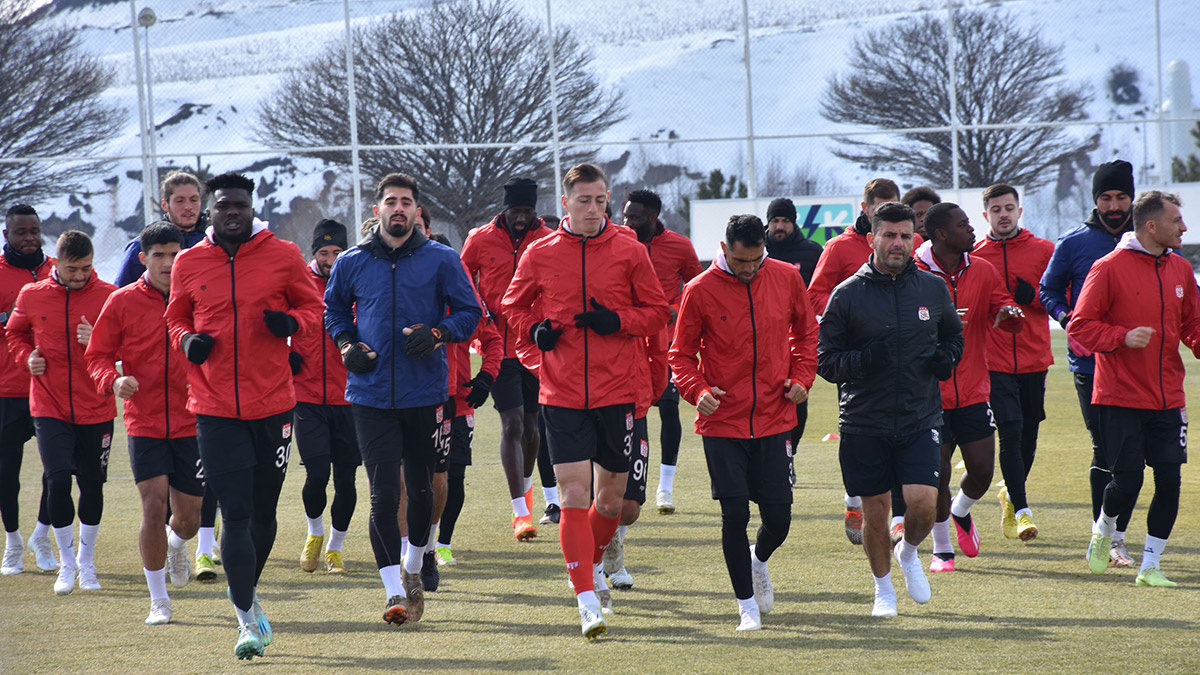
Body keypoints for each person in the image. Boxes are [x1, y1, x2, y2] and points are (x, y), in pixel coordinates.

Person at [501, 162, 669, 639]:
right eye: (583, 201)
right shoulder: (540, 252)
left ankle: (592, 562)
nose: (593, 209)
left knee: (611, 501)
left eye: (600, 200)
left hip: (619, 392)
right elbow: (513, 306)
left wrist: (619, 321)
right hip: (562, 392)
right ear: (565, 204)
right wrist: (535, 334)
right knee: (574, 493)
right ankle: (586, 600)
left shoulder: (629, 249)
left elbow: (657, 312)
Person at [165, 172, 325, 660]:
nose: (231, 212)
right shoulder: (189, 261)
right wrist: (186, 341)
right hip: (214, 408)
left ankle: (247, 592)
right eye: (223, 205)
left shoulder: (284, 255)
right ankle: (245, 623)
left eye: (239, 205)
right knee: (233, 513)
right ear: (210, 211)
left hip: (273, 404)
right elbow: (176, 317)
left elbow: (314, 308)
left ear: (252, 208)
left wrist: (291, 322)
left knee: (263, 513)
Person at [324, 173, 481, 627]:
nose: (398, 208)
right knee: (383, 494)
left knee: (421, 489)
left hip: (424, 394)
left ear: (416, 211)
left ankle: (414, 565)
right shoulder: (352, 261)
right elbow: (334, 311)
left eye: (406, 202)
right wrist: (347, 346)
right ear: (377, 210)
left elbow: (470, 312)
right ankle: (393, 589)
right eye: (391, 201)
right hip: (369, 395)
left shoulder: (442, 259)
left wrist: (438, 333)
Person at [669, 214, 816, 630]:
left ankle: (758, 561)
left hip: (774, 417)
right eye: (740, 261)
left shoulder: (786, 277)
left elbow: (806, 335)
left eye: (756, 259)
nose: (749, 268)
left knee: (779, 520)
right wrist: (697, 390)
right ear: (724, 249)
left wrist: (802, 378)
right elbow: (680, 355)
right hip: (722, 424)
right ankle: (746, 607)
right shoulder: (698, 289)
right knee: (734, 515)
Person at [817, 201, 962, 617]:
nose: (898, 243)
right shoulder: (847, 295)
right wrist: (865, 359)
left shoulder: (932, 289)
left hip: (919, 417)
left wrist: (947, 357)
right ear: (871, 238)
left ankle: (909, 552)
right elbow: (826, 362)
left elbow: (953, 336)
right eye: (889, 235)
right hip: (864, 421)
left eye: (905, 236)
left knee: (923, 503)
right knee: (876, 513)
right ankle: (883, 590)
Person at [1069, 190, 1198, 587]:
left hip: (1168, 397)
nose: (1184, 227)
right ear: (1151, 226)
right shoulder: (1108, 268)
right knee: (1128, 481)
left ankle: (1150, 567)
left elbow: (1193, 325)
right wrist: (1122, 337)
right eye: (1177, 220)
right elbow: (1079, 327)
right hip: (1119, 396)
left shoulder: (1180, 269)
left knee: (1170, 480)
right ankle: (1103, 528)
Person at [85, 222, 201, 625]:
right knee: (153, 505)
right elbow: (97, 355)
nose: (168, 263)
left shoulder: (199, 297)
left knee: (189, 520)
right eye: (159, 256)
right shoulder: (122, 301)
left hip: (193, 419)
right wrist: (113, 380)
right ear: (143, 258)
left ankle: (176, 545)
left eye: (175, 255)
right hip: (144, 421)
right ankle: (158, 600)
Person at [1040, 160, 1140, 567]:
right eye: (1106, 198)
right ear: (1095, 200)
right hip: (1089, 365)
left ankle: (1116, 533)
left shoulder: (1149, 239)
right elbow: (1048, 290)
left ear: (1132, 198)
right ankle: (1107, 538)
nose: (1113, 206)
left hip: (1139, 366)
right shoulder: (1073, 243)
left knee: (1135, 454)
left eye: (1121, 197)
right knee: (1106, 450)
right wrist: (1067, 319)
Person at [7, 230, 117, 596]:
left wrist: (98, 339)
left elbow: (127, 345)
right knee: (56, 481)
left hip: (96, 406)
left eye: (86, 267)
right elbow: (15, 333)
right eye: (73, 269)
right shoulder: (32, 294)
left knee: (92, 485)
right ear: (57, 263)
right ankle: (67, 563)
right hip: (49, 405)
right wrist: (27, 357)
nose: (81, 275)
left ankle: (87, 562)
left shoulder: (109, 295)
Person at [915, 203, 1024, 572]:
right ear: (941, 234)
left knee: (982, 471)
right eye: (963, 225)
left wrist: (1010, 315)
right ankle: (942, 548)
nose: (972, 230)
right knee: (938, 474)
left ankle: (961, 511)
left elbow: (1004, 307)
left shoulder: (983, 269)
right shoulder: (915, 273)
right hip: (929, 395)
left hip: (974, 389)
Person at [807, 178, 905, 546]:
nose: (886, 214)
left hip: (900, 360)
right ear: (864, 208)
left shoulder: (905, 244)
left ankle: (897, 517)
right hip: (855, 360)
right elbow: (815, 295)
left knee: (902, 433)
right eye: (879, 208)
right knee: (859, 435)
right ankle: (853, 501)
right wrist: (851, 316)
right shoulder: (838, 247)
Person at [461, 178, 557, 538]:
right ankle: (520, 513)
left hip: (535, 345)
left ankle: (527, 490)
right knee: (512, 424)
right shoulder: (479, 238)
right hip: (498, 348)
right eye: (516, 211)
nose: (521, 218)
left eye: (527, 211)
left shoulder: (547, 239)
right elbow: (462, 276)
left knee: (533, 428)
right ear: (505, 209)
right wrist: (479, 310)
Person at [971, 184, 1054, 542]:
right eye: (996, 209)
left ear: (1019, 211)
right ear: (985, 215)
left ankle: (1010, 491)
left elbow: (1063, 296)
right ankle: (1022, 511)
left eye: (1008, 208)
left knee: (1028, 435)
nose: (1003, 214)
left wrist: (1032, 296)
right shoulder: (975, 256)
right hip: (995, 360)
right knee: (1010, 430)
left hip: (1035, 357)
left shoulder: (1044, 251)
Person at [621, 189, 703, 514]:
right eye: (626, 216)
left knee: (669, 408)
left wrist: (674, 309)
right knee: (629, 412)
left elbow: (697, 286)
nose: (628, 222)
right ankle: (624, 484)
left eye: (635, 217)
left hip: (667, 341)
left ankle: (664, 488)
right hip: (627, 342)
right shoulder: (618, 243)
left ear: (653, 218)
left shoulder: (680, 246)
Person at [289, 219, 360, 575]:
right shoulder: (297, 281)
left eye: (337, 252)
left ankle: (335, 547)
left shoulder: (358, 280)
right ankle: (314, 533)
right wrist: (284, 353)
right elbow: (272, 321)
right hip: (306, 397)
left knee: (346, 479)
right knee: (316, 474)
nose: (330, 260)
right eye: (323, 252)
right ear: (313, 252)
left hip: (350, 398)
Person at [0, 204, 56, 576]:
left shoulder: (57, 270)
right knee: (7, 470)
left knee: (57, 469)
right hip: (7, 388)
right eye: (22, 232)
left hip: (51, 388)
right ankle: (13, 541)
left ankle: (41, 534)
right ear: (7, 235)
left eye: (34, 230)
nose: (30, 238)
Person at [433, 309, 503, 566]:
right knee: (418, 479)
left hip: (460, 405)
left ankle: (443, 544)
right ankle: (414, 545)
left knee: (455, 475)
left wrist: (486, 376)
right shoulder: (414, 291)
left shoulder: (466, 299)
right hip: (419, 402)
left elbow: (493, 341)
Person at [764, 196, 825, 459]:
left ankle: (790, 455)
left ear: (794, 222)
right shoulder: (757, 250)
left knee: (798, 397)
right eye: (775, 220)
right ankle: (770, 457)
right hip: (761, 338)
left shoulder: (811, 252)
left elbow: (821, 291)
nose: (779, 226)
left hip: (798, 338)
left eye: (785, 221)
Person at [114, 171, 208, 287]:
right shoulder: (141, 245)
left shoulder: (212, 244)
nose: (188, 207)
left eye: (194, 200)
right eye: (180, 201)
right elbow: (122, 292)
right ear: (165, 205)